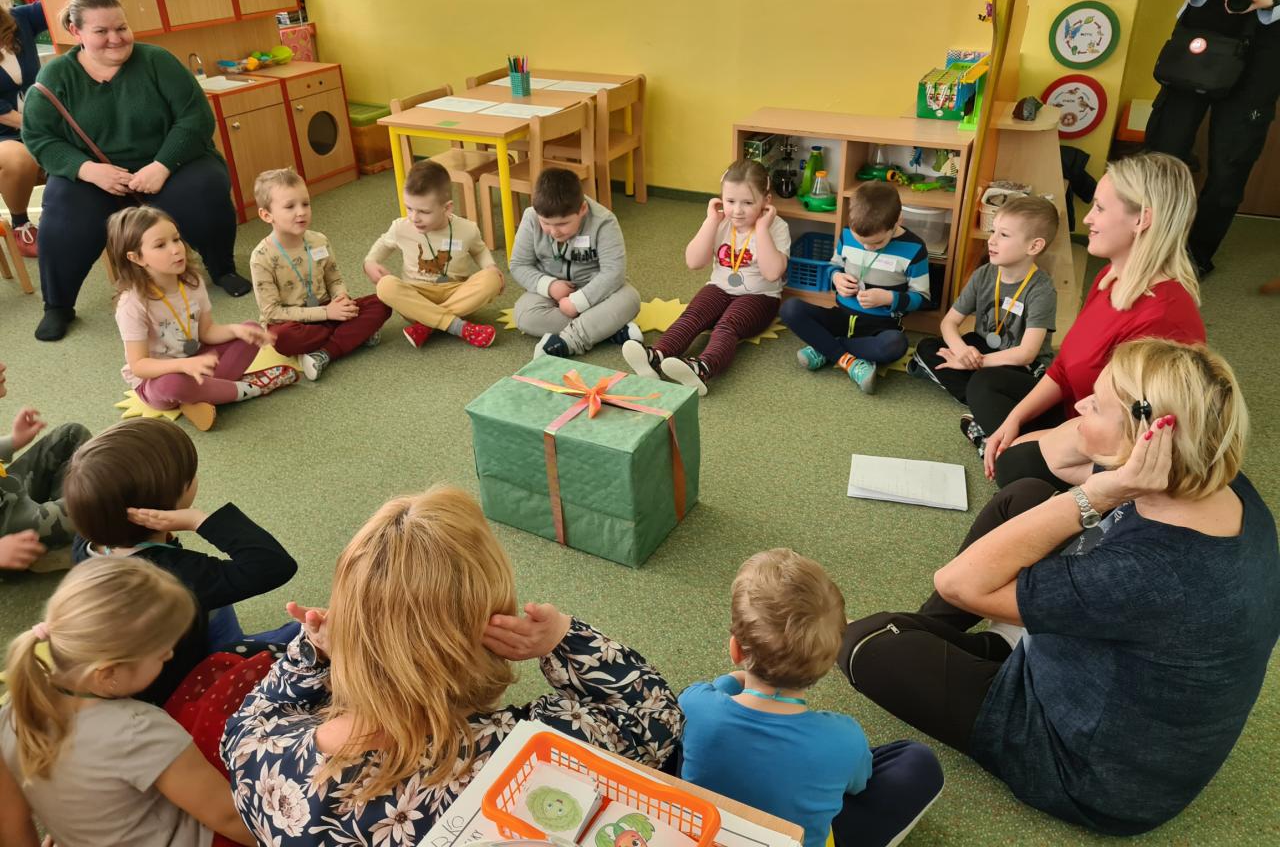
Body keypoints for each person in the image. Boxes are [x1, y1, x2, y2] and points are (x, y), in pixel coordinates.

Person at [839, 339, 1280, 836]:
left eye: (1098, 403)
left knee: (861, 643)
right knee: (1024, 496)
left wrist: (1100, 492)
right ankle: (943, 637)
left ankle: (941, 640)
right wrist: (1092, 446)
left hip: (1085, 771)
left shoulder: (1151, 573)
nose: (1081, 405)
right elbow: (1035, 455)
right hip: (1096, 669)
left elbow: (954, 582)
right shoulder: (1211, 477)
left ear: (1148, 437)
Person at [221, 485, 683, 844]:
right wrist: (563, 637)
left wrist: (314, 652)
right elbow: (653, 720)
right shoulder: (524, 755)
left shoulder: (258, 754)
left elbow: (256, 714)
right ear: (486, 628)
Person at [20, 0, 250, 343]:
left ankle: (222, 268)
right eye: (101, 31)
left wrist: (162, 165)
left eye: (121, 28)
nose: (115, 39)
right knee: (62, 211)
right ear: (76, 32)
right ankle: (58, 305)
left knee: (205, 189)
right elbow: (39, 138)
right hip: (95, 174)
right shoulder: (55, 77)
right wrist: (87, 170)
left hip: (169, 162)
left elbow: (195, 118)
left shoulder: (158, 61)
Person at [969, 153, 1205, 487]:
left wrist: (1039, 442)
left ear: (1142, 219)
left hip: (1108, 446)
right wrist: (1015, 420)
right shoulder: (1111, 277)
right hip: (1078, 414)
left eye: (1100, 208)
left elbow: (1131, 436)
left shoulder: (1163, 319)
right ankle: (1001, 445)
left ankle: (1004, 452)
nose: (1087, 219)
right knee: (985, 384)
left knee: (1014, 468)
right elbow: (1064, 369)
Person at [679, 548, 943, 847]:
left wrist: (730, 681)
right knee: (917, 761)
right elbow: (858, 785)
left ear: (736, 649)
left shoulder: (695, 704)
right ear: (829, 662)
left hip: (706, 837)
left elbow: (709, 696)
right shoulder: (844, 738)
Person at [0, 557, 255, 846]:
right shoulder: (140, 729)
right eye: (161, 654)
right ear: (108, 673)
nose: (169, 656)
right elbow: (229, 817)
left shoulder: (13, 712)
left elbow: (12, 823)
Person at [63, 417, 297, 705]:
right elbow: (273, 565)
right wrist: (199, 520)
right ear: (160, 508)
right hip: (190, 679)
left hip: (153, 648)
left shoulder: (89, 540)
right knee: (306, 631)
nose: (195, 477)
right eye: (190, 476)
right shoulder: (178, 576)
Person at [1144, 0, 1280, 275]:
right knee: (1165, 146)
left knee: (1232, 161)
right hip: (1201, 38)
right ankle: (1145, 243)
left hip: (1265, 50)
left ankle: (1195, 256)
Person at [108, 205, 297, 432]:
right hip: (158, 380)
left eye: (176, 239)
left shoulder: (192, 281)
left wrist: (236, 330)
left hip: (197, 360)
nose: (176, 249)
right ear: (136, 258)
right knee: (174, 383)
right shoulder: (132, 303)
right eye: (160, 245)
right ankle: (247, 389)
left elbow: (207, 332)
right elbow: (139, 365)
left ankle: (200, 397)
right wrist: (184, 365)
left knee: (250, 330)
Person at [622, 159, 789, 396]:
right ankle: (656, 356)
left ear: (766, 201)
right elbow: (694, 262)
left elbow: (772, 273)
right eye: (730, 201)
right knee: (692, 316)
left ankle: (702, 368)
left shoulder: (777, 227)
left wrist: (762, 229)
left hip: (760, 297)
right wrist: (711, 221)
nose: (737, 210)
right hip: (719, 289)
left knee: (727, 326)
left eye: (748, 203)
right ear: (721, 199)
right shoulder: (721, 222)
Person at [780, 181, 929, 394]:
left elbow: (922, 297)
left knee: (896, 344)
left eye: (877, 243)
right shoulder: (848, 235)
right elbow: (833, 266)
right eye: (862, 242)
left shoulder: (915, 248)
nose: (868, 247)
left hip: (880, 327)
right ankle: (847, 359)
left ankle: (827, 347)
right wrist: (836, 277)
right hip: (841, 317)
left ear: (898, 220)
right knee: (790, 309)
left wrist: (889, 298)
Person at [910, 195, 1058, 405]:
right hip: (982, 347)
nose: (991, 240)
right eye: (992, 231)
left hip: (1020, 362)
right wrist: (962, 353)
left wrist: (976, 363)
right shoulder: (983, 274)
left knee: (1000, 380)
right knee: (926, 346)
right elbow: (949, 322)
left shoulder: (1042, 290)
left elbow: (1026, 353)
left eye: (1003, 234)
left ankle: (978, 391)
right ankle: (984, 397)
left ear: (1034, 247)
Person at [249, 168, 390, 381]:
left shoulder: (319, 240)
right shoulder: (261, 257)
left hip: (329, 312)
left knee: (382, 302)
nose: (301, 212)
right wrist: (327, 313)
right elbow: (272, 312)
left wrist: (341, 298)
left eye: (305, 204)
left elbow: (334, 279)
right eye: (290, 206)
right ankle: (351, 338)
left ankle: (323, 353)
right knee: (281, 338)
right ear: (266, 215)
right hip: (293, 322)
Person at [363, 159, 503, 350]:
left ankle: (427, 325)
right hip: (417, 296)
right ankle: (459, 327)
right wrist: (370, 261)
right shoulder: (401, 227)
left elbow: (479, 250)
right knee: (385, 286)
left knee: (492, 279)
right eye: (409, 208)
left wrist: (490, 266)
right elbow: (384, 243)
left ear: (447, 208)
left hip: (456, 292)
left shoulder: (467, 229)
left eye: (424, 211)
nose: (414, 218)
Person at [510, 167, 641, 358]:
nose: (554, 232)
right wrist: (549, 286)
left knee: (631, 299)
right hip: (552, 294)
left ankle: (569, 341)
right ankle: (607, 328)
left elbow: (614, 272)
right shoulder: (531, 217)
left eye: (563, 224)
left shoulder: (604, 221)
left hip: (596, 292)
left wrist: (578, 302)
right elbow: (518, 264)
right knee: (524, 315)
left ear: (583, 209)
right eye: (545, 223)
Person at [0, 359, 90, 572]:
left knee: (71, 434)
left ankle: (70, 526)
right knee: (101, 501)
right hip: (5, 527)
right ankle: (76, 537)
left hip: (6, 489)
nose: (2, 365)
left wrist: (12, 441)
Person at [0, 0, 44, 257]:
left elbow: (70, 5)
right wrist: (41, 127)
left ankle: (59, 213)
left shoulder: (19, 18)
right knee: (20, 160)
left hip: (34, 120)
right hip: (5, 132)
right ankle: (21, 224)